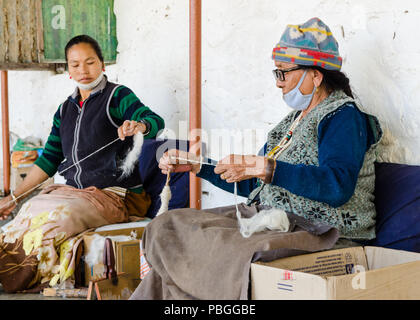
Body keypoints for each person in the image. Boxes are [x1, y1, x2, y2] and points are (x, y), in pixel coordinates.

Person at [130, 17, 383, 300]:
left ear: (316, 75)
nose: (279, 83)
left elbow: (337, 186)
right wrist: (198, 166)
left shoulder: (344, 117)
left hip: (322, 230)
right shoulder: (291, 123)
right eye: (277, 73)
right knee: (167, 227)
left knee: (223, 251)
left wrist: (267, 167)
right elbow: (255, 185)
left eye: (284, 73)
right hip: (271, 219)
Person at [0, 35, 164, 293]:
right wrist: (13, 197)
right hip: (74, 193)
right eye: (75, 64)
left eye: (90, 62)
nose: (83, 70)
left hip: (114, 196)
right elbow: (48, 160)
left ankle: (16, 280)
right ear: (67, 70)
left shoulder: (117, 96)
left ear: (102, 64)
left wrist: (138, 125)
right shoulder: (65, 110)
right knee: (25, 216)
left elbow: (154, 120)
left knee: (55, 220)